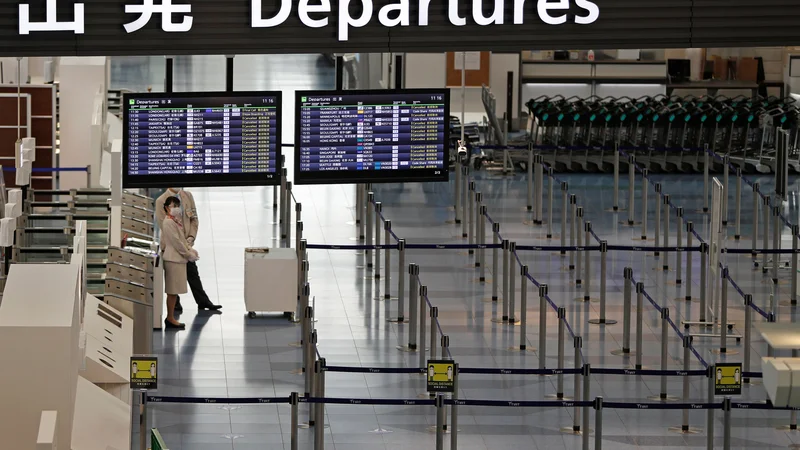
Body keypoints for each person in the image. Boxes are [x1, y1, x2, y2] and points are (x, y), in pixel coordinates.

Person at [156, 187, 221, 312]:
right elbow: (164, 227)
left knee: (193, 273)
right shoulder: (161, 201)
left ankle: (202, 301)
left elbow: (194, 218)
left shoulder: (188, 196)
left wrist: (190, 238)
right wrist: (182, 244)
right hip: (172, 245)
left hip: (187, 244)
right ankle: (175, 304)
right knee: (173, 278)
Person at [161, 196, 199, 330]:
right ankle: (170, 318)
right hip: (173, 260)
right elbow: (176, 242)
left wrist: (190, 249)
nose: (176, 209)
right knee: (172, 291)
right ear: (166, 208)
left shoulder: (175, 221)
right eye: (172, 206)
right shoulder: (168, 223)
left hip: (178, 259)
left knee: (174, 292)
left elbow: (181, 239)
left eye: (177, 206)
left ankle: (171, 317)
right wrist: (188, 254)